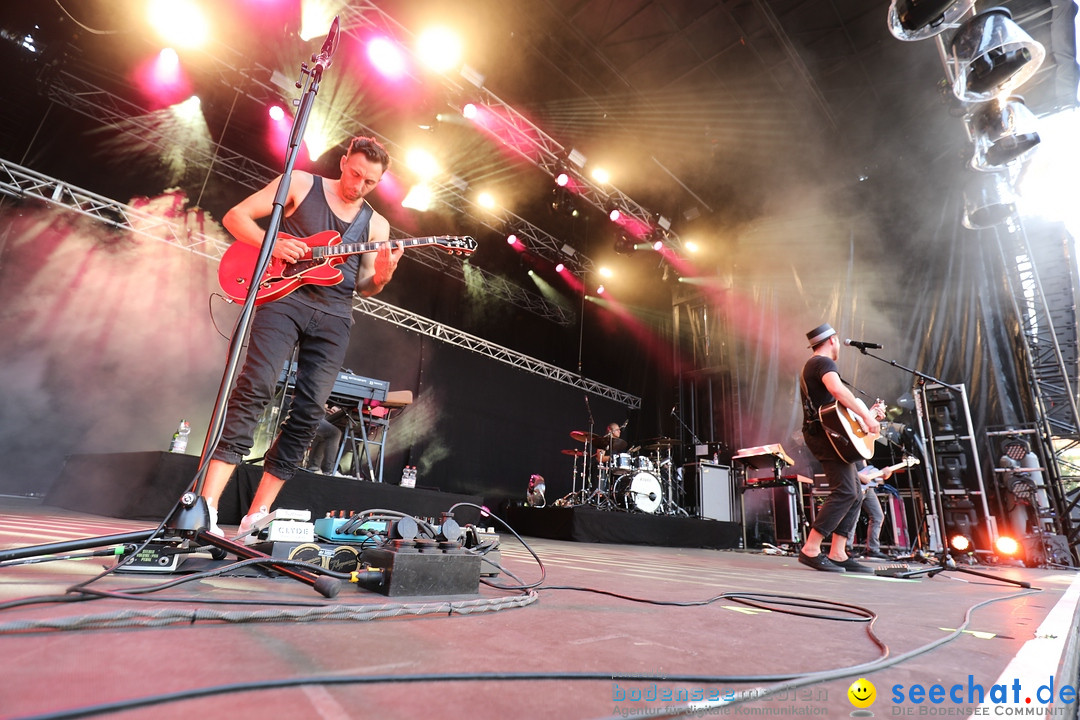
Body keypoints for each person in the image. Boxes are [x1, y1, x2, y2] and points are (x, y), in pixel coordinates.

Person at [201, 136, 401, 541]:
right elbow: (236, 217)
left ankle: (257, 515)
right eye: (355, 173)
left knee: (311, 412)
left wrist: (381, 277)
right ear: (344, 161)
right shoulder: (301, 184)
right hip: (284, 300)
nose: (358, 185)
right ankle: (205, 505)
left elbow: (365, 285)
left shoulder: (376, 224)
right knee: (254, 388)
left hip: (335, 315)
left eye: (369, 182)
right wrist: (272, 241)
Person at [797, 323, 887, 573]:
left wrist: (866, 416)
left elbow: (837, 412)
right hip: (827, 438)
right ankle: (811, 548)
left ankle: (838, 551)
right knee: (846, 491)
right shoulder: (822, 363)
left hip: (832, 436)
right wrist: (868, 419)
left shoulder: (814, 365)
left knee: (856, 491)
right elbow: (837, 391)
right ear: (833, 340)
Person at [846, 484, 889, 560]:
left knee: (878, 516)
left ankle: (873, 549)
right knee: (853, 517)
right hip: (856, 486)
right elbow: (850, 472)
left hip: (868, 489)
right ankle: (847, 548)